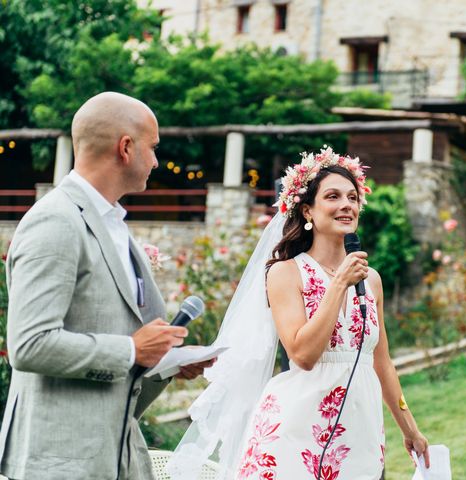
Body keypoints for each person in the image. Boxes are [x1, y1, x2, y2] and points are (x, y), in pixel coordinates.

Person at [168, 147, 428, 479]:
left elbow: (382, 363)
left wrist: (410, 429)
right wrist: (338, 286)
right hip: (295, 431)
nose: (347, 204)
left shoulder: (371, 280)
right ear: (307, 211)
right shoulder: (285, 273)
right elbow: (302, 354)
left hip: (360, 430)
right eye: (333, 196)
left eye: (352, 197)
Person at [0, 92, 212, 480]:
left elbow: (112, 342)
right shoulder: (56, 221)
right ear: (126, 147)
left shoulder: (114, 226)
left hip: (116, 457)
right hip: (59, 463)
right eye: (153, 147)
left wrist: (165, 364)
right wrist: (133, 349)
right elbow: (29, 345)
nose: (156, 161)